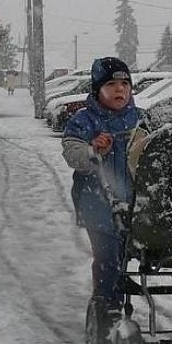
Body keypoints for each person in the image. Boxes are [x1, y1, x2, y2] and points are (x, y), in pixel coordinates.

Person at [62, 57, 141, 317]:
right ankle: (106, 303)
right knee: (108, 256)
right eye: (111, 84)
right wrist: (93, 149)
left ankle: (120, 293)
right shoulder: (84, 121)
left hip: (133, 201)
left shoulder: (140, 120)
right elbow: (73, 154)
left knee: (130, 253)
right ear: (97, 90)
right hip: (96, 201)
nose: (119, 89)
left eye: (124, 84)